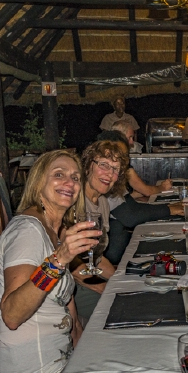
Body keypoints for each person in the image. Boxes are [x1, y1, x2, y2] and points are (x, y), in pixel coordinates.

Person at [0, 150, 100, 373]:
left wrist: (80, 343)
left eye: (75, 177)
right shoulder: (27, 232)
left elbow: (66, 298)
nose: (69, 182)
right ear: (38, 183)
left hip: (59, 352)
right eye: (59, 175)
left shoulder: (55, 228)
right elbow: (11, 315)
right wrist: (59, 260)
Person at [95, 131, 182, 264]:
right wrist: (169, 209)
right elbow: (131, 216)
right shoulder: (101, 185)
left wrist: (170, 207)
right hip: (109, 259)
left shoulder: (113, 181)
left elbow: (132, 207)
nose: (122, 163)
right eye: (107, 162)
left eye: (124, 157)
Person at [72, 140, 129, 327]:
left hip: (89, 275)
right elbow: (72, 264)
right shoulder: (73, 201)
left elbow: (96, 257)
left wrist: (120, 280)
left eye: (115, 169)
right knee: (120, 310)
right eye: (104, 165)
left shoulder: (102, 202)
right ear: (88, 165)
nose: (110, 174)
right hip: (73, 284)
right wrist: (103, 287)